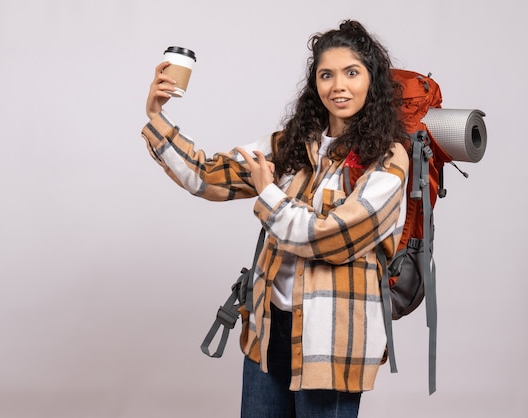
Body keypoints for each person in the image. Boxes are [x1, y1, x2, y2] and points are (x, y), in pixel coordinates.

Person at [141, 19, 409, 418]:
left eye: (352, 73)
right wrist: (156, 115)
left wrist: (268, 192)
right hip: (267, 332)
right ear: (314, 84)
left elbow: (328, 239)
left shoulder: (388, 160)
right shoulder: (294, 143)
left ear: (372, 80)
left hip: (331, 343)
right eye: (326, 75)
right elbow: (207, 176)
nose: (339, 86)